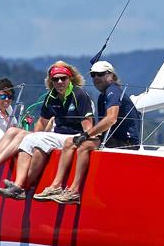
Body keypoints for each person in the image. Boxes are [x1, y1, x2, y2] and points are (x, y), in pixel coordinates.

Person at [0, 62, 91, 186]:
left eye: (10, 96)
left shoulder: (9, 110)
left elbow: (87, 126)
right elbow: (3, 139)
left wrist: (28, 136)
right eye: (3, 97)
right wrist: (29, 138)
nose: (7, 100)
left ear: (70, 79)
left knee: (17, 133)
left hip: (5, 151)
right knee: (17, 134)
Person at [38, 60, 140, 205]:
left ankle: (74, 191)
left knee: (84, 145)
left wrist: (87, 134)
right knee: (69, 142)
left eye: (100, 74)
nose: (96, 78)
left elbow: (111, 119)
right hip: (111, 138)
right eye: (93, 75)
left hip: (126, 143)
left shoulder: (113, 90)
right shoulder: (102, 95)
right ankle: (56, 186)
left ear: (111, 75)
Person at [0, 62, 94, 199]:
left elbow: (88, 125)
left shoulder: (79, 94)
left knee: (33, 139)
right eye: (55, 79)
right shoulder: (51, 96)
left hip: (75, 135)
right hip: (58, 135)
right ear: (51, 82)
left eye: (63, 78)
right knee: (30, 140)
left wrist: (87, 141)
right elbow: (42, 121)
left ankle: (21, 187)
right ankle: (18, 185)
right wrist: (35, 136)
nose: (59, 82)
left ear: (69, 78)